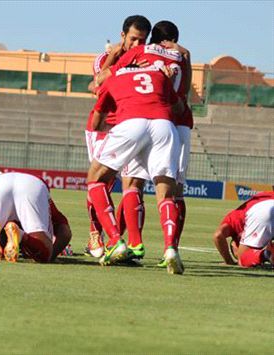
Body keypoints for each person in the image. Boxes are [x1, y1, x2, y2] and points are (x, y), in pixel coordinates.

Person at [96, 20, 193, 264]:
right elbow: (184, 94)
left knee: (132, 183)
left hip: (143, 117)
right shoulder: (182, 56)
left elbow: (100, 80)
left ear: (152, 40)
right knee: (171, 193)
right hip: (175, 124)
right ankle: (171, 249)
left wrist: (117, 57)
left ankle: (133, 243)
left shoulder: (142, 54)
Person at [87, 62, 185, 274]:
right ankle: (170, 249)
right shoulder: (158, 76)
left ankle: (115, 241)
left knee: (95, 178)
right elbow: (179, 109)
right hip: (164, 126)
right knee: (165, 195)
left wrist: (109, 130)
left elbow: (96, 121)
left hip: (131, 123)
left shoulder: (113, 78)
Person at [84, 15, 152, 259]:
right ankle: (96, 235)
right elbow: (98, 86)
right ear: (123, 36)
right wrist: (115, 58)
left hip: (133, 126)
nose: (137, 45)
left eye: (142, 40)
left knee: (134, 186)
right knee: (101, 183)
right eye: (133, 39)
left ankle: (125, 243)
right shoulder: (104, 58)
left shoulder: (147, 58)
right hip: (105, 127)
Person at [0, 172, 72, 263]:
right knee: (45, 254)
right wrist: (51, 256)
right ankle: (21, 235)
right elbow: (65, 232)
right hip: (32, 185)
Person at [213, 192, 274, 267]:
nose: (236, 253)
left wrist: (229, 261)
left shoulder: (233, 219)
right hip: (266, 207)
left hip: (263, 211)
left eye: (235, 252)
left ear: (234, 244)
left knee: (242, 259)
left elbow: (218, 235)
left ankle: (266, 254)